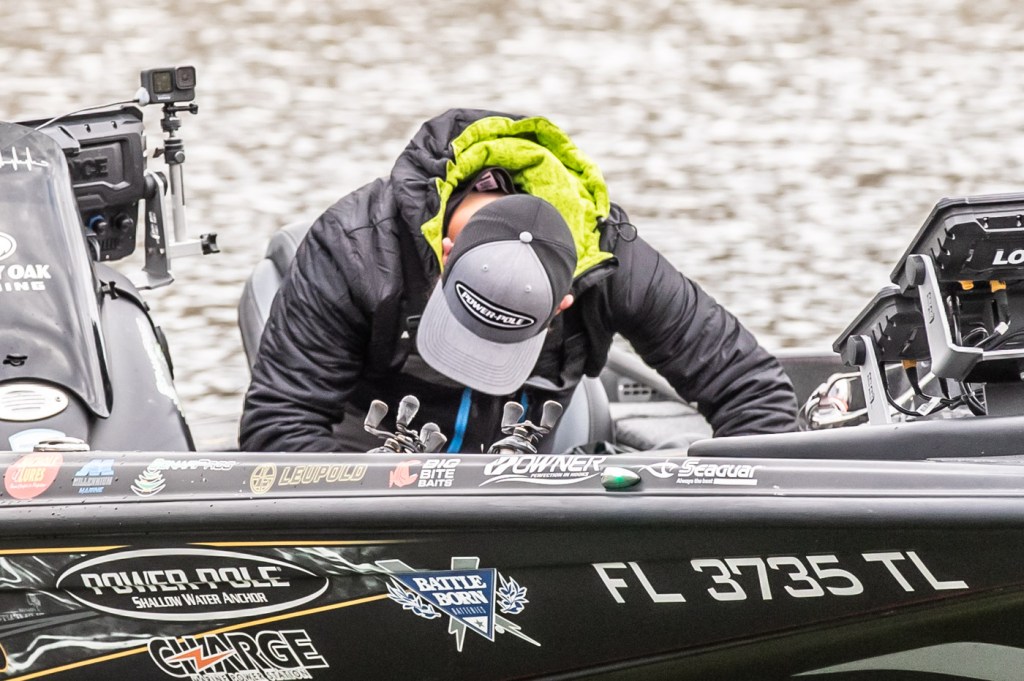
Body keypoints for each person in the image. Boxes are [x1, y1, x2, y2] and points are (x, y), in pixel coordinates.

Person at [240, 109, 798, 453]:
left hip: (523, 485)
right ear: (446, 254)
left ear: (563, 300)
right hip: (368, 480)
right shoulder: (353, 248)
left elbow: (751, 387)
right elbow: (278, 426)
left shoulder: (614, 259)